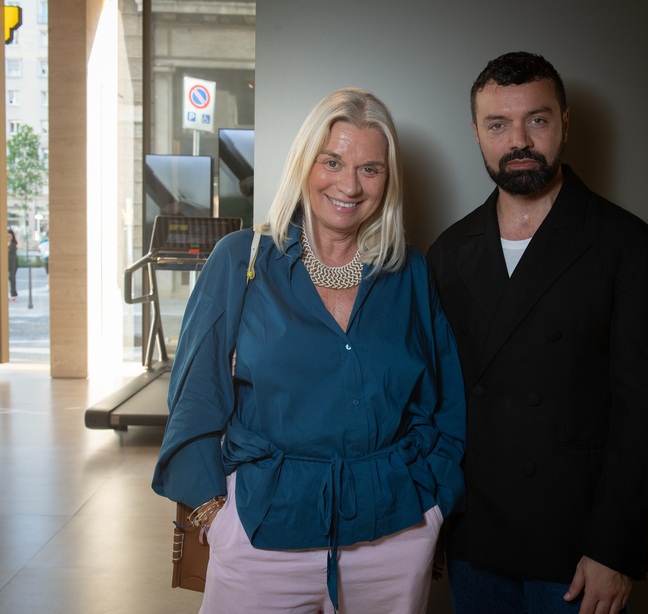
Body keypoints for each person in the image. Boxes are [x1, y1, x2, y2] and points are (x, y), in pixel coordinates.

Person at [152, 88, 466, 614]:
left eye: (370, 169)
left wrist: (433, 506)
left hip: (393, 533)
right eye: (332, 161)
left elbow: (444, 402)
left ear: (388, 179)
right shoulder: (240, 261)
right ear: (304, 163)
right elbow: (194, 398)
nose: (349, 185)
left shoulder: (409, 272)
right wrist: (213, 513)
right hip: (262, 530)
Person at [427, 52, 648, 614]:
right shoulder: (448, 252)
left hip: (577, 549)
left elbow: (647, 417)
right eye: (498, 124)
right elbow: (436, 403)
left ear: (565, 123)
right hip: (474, 538)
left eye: (536, 120)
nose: (519, 141)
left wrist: (615, 549)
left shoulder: (629, 247)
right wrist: (435, 516)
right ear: (476, 133)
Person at [8, 229, 18, 301]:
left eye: (9, 236)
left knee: (12, 277)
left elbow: (20, 246)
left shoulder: (14, 243)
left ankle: (13, 294)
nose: (8, 238)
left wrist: (16, 237)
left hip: (13, 262)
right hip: (5, 262)